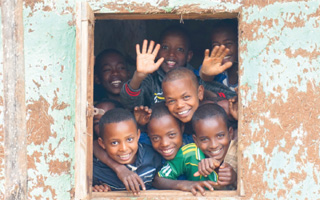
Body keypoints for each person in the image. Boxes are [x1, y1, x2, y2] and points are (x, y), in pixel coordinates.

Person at [153, 103, 236, 196]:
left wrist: (235, 178)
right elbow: (158, 179)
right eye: (204, 139)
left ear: (230, 134)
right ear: (195, 140)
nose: (213, 145)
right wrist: (185, 184)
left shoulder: (239, 152)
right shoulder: (189, 154)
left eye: (220, 136)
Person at [120, 25, 194, 110]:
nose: (171, 54)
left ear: (188, 56)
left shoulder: (195, 78)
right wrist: (138, 77)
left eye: (180, 49)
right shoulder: (151, 79)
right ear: (157, 52)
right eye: (165, 47)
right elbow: (129, 104)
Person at [92, 108, 162, 194]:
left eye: (129, 139)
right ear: (102, 143)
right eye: (114, 143)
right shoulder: (97, 169)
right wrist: (97, 190)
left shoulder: (152, 156)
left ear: (138, 135)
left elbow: (160, 182)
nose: (124, 148)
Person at [199, 19, 238, 91]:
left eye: (228, 44)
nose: (222, 49)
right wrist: (206, 74)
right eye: (216, 45)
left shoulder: (248, 69)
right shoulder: (212, 65)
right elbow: (205, 74)